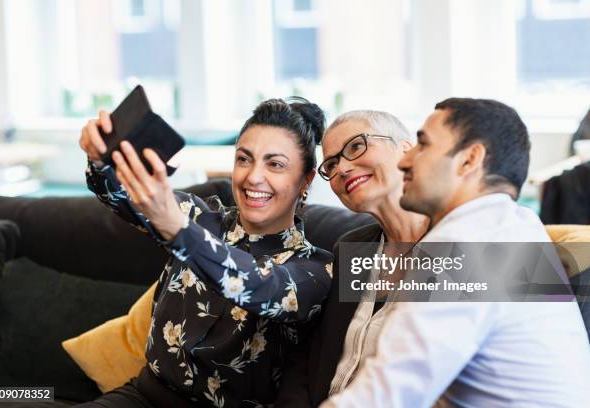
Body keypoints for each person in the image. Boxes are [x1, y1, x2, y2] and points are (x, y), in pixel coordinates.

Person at [320, 98, 590, 407]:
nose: (406, 161)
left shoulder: (469, 242)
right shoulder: (513, 226)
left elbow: (388, 394)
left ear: (469, 159)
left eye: (423, 145)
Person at [77, 97, 333, 407]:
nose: (253, 177)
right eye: (244, 159)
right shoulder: (197, 216)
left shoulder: (315, 269)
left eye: (275, 164)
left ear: (306, 179)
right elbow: (119, 195)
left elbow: (259, 285)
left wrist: (178, 230)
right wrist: (100, 159)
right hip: (141, 397)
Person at [275, 109, 429, 407]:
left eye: (357, 146)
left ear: (406, 150)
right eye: (331, 165)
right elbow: (310, 358)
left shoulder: (468, 241)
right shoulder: (352, 248)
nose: (342, 169)